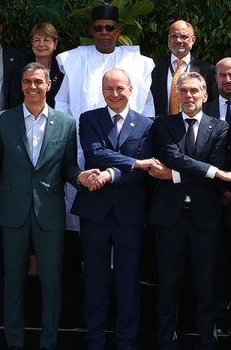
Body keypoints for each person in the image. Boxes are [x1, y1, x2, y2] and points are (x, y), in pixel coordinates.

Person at [0, 62, 83, 350]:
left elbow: (69, 167)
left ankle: (49, 342)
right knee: (13, 283)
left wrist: (83, 177)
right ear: (20, 85)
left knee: (52, 282)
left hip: (49, 212)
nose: (32, 87)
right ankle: (14, 341)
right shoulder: (4, 121)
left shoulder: (66, 123)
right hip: (12, 211)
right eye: (26, 82)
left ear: (48, 85)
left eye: (37, 81)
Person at [71, 69, 160, 350]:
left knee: (128, 279)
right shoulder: (89, 119)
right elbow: (94, 152)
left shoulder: (147, 124)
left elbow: (145, 170)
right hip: (95, 211)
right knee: (95, 279)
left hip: (129, 213)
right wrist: (133, 163)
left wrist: (112, 175)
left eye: (120, 88)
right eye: (108, 88)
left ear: (131, 90)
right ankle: (94, 339)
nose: (114, 93)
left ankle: (126, 341)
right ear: (102, 90)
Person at [149, 72, 231, 350]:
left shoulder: (219, 128)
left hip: (205, 218)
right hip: (169, 218)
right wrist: (212, 171)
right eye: (183, 91)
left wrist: (173, 175)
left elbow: (215, 162)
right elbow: (171, 156)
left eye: (194, 91)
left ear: (206, 95)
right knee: (168, 285)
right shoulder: (163, 124)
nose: (189, 96)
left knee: (206, 284)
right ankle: (165, 342)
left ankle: (208, 341)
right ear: (177, 96)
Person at [55, 5, 154, 233]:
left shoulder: (139, 62)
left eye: (109, 28)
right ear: (92, 31)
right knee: (89, 217)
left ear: (118, 30)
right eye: (98, 28)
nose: (104, 32)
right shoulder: (74, 59)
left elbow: (148, 107)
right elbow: (63, 104)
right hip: (87, 147)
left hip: (130, 147)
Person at [149, 20, 217, 117]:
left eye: (183, 37)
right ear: (169, 39)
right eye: (174, 36)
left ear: (193, 40)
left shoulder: (208, 71)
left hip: (193, 128)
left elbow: (212, 104)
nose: (178, 40)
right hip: (160, 128)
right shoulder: (153, 68)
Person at [29, 22, 65, 107]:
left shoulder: (62, 69)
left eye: (46, 40)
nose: (41, 44)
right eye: (37, 40)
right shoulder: (22, 69)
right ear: (32, 44)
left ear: (55, 44)